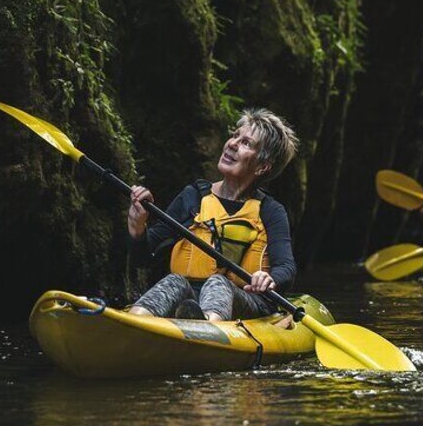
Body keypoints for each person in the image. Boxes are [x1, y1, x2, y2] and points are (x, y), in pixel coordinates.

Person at [127, 108, 300, 321]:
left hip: (245, 301)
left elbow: (286, 267)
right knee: (175, 281)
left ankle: (208, 326)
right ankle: (135, 320)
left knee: (218, 282)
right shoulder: (193, 197)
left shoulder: (271, 211)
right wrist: (137, 228)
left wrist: (269, 278)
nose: (233, 144)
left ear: (262, 167)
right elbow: (143, 257)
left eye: (246, 143)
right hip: (191, 294)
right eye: (235, 135)